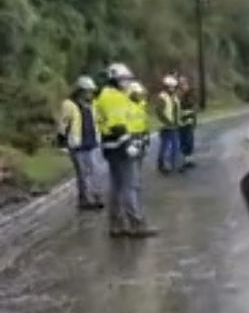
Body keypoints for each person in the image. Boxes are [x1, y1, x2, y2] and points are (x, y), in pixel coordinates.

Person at [94, 63, 157, 238]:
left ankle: (117, 223)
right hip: (120, 146)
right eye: (123, 79)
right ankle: (136, 223)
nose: (126, 82)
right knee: (131, 185)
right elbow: (117, 124)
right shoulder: (111, 96)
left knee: (118, 186)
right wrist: (129, 143)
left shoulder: (118, 95)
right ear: (114, 79)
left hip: (117, 146)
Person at [57, 75, 104, 210]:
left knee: (95, 171)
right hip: (77, 144)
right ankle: (85, 199)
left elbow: (96, 121)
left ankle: (96, 196)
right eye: (87, 91)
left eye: (90, 91)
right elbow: (62, 123)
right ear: (80, 91)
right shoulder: (69, 105)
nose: (89, 94)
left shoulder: (92, 104)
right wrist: (62, 141)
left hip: (92, 142)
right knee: (83, 173)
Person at [154, 74, 182, 174]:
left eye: (173, 86)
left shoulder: (174, 97)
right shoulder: (162, 97)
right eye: (170, 86)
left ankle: (168, 164)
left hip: (174, 124)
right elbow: (158, 112)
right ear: (166, 86)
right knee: (168, 145)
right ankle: (165, 164)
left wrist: (178, 120)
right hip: (166, 126)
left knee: (171, 145)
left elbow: (177, 110)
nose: (172, 88)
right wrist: (167, 122)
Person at [177, 75, 197, 170]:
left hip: (189, 122)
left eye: (185, 83)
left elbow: (193, 109)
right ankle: (181, 162)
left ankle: (187, 160)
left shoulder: (190, 95)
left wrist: (194, 121)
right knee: (182, 142)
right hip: (181, 122)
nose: (185, 85)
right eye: (182, 84)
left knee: (189, 142)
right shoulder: (178, 96)